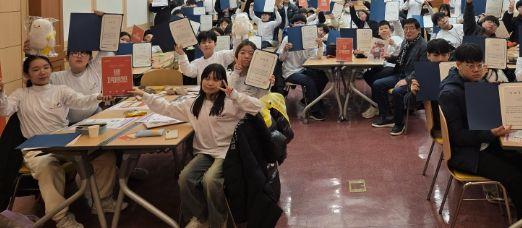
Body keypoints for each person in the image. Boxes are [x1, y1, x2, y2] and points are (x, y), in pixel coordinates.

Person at [132, 64, 262, 228]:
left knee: (210, 181)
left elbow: (257, 106)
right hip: (204, 152)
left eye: (216, 79)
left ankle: (218, 222)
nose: (210, 83)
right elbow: (167, 108)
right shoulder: (193, 103)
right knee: (185, 178)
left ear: (223, 82)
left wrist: (234, 94)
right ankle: (201, 217)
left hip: (226, 152)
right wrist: (144, 95)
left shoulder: (230, 102)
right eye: (207, 78)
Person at [0, 56, 119, 228]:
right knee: (48, 167)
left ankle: (102, 201)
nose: (42, 72)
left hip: (65, 143)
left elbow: (81, 100)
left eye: (45, 67)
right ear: (27, 75)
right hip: (36, 148)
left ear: (51, 69)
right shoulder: (21, 94)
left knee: (104, 156)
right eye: (35, 69)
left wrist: (99, 96)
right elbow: (4, 110)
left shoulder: (60, 90)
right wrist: (1, 93)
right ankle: (61, 218)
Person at [439, 44, 522, 227]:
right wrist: (491, 133)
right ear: (458, 65)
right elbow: (457, 137)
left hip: (484, 143)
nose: (476, 69)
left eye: (479, 65)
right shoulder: (450, 93)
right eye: (471, 66)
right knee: (514, 177)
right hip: (466, 153)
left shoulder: (474, 83)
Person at [371, 18, 427, 135]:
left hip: (413, 79)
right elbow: (400, 60)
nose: (408, 31)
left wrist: (407, 80)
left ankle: (399, 123)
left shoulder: (423, 46)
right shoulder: (405, 42)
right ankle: (387, 117)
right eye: (406, 28)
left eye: (411, 28)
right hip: (400, 74)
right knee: (377, 84)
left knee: (397, 91)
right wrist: (389, 57)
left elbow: (422, 69)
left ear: (418, 30)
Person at [278, 14, 327, 121]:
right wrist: (285, 49)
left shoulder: (309, 39)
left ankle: (311, 100)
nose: (300, 25)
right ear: (292, 25)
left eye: (302, 23)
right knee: (309, 81)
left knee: (323, 76)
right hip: (290, 72)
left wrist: (320, 45)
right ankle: (314, 110)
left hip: (303, 68)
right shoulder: (287, 38)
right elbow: (281, 59)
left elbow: (317, 57)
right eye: (297, 23)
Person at [50, 50, 112, 124]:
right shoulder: (56, 77)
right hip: (71, 123)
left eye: (84, 53)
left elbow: (108, 48)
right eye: (74, 53)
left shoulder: (95, 69)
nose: (79, 56)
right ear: (67, 58)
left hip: (95, 116)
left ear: (90, 58)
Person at [407, 38, 454, 132]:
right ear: (428, 55)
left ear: (449, 55)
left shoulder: (456, 70)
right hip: (439, 124)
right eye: (436, 55)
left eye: (444, 55)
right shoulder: (421, 73)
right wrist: (413, 93)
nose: (440, 59)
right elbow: (409, 104)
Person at [361, 21, 404, 119]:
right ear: (379, 32)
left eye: (386, 28)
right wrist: (363, 52)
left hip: (393, 67)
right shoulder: (379, 43)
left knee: (375, 79)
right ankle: (378, 101)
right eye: (381, 29)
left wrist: (393, 44)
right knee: (367, 75)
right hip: (382, 66)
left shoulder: (396, 38)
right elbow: (374, 58)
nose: (384, 30)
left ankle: (375, 105)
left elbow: (401, 52)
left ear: (390, 29)